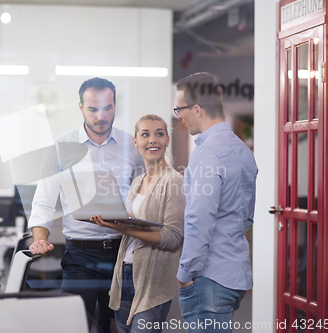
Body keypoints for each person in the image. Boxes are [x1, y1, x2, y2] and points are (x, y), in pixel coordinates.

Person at [28, 77, 144, 333]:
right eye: (93, 109)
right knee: (75, 325)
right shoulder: (60, 147)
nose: (100, 116)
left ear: (115, 105)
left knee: (116, 327)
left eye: (107, 108)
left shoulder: (133, 146)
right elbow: (43, 202)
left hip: (123, 253)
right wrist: (39, 237)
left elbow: (145, 199)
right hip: (80, 257)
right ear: (80, 107)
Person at [174, 72, 258, 332]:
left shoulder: (206, 153)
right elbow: (246, 217)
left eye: (179, 109)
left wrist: (185, 275)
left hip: (209, 277)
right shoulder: (243, 150)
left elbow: (199, 219)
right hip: (235, 272)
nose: (179, 117)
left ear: (197, 109)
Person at [92, 114, 185, 333]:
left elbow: (173, 238)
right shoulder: (137, 182)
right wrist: (113, 221)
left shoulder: (174, 181)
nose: (152, 140)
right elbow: (135, 223)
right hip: (125, 272)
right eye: (145, 134)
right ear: (136, 142)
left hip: (152, 278)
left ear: (167, 141)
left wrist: (125, 228)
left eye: (159, 134)